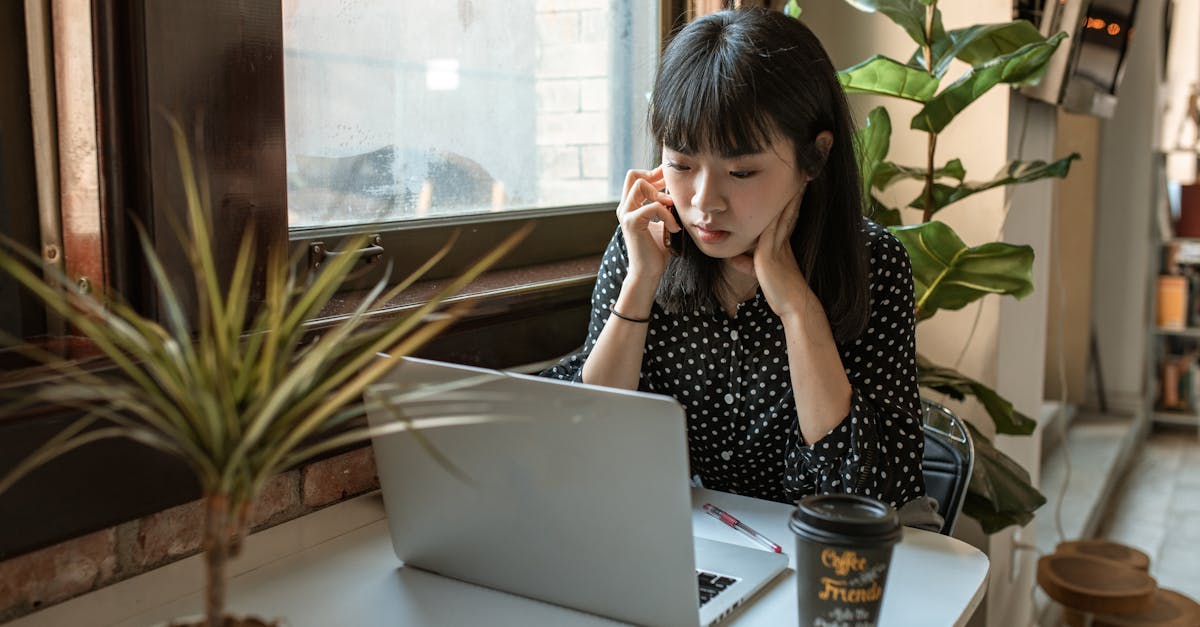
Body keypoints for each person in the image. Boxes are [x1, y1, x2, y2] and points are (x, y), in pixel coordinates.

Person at [541, 8, 924, 509]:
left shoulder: (873, 264)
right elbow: (585, 444)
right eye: (680, 164)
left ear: (815, 157)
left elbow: (863, 494)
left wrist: (796, 307)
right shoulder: (648, 243)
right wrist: (639, 283)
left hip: (831, 545)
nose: (704, 201)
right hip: (706, 540)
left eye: (741, 172)